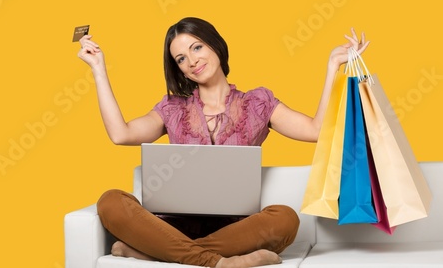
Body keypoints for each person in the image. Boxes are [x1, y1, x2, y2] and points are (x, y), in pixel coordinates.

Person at [77, 17, 369, 267]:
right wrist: (98, 69)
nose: (192, 61)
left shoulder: (258, 102)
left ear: (214, 44)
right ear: (178, 69)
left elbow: (316, 130)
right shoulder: (171, 108)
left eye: (196, 47)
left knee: (286, 218)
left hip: (236, 229)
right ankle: (217, 262)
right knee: (111, 201)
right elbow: (121, 134)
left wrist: (333, 67)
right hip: (172, 225)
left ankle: (159, 254)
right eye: (181, 59)